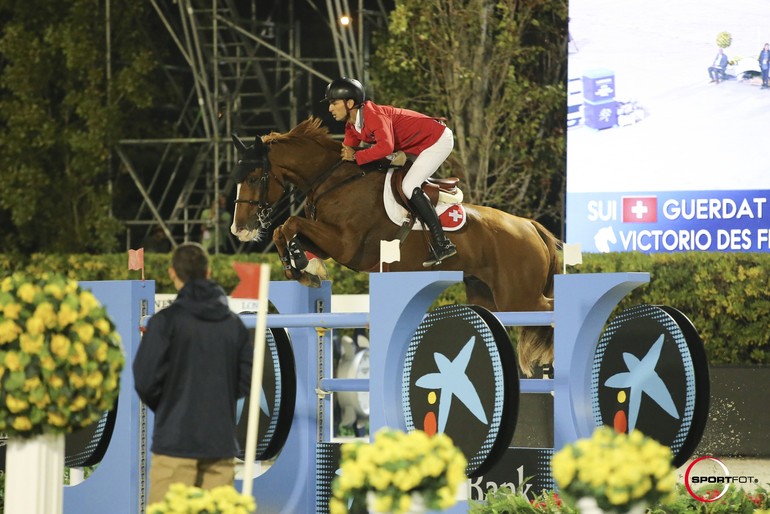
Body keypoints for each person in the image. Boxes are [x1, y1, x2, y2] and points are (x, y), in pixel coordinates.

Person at [133, 242, 252, 504]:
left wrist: (169, 408)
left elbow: (144, 380)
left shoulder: (164, 322)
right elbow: (245, 382)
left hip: (174, 443)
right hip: (219, 444)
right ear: (209, 272)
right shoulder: (234, 325)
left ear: (172, 273)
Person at [325, 77, 457, 267]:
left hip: (436, 140)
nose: (330, 109)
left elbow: (385, 148)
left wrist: (356, 157)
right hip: (413, 145)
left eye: (334, 103)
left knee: (409, 185)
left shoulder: (373, 116)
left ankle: (442, 243)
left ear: (350, 103)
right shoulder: (352, 125)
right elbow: (346, 155)